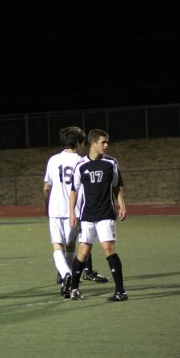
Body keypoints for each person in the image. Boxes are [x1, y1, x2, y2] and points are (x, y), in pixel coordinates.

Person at [43, 126, 108, 299]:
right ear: (80, 143)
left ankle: (65, 275)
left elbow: (46, 187)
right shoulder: (82, 161)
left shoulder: (53, 160)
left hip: (56, 209)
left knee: (57, 246)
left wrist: (47, 204)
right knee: (71, 245)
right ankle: (70, 279)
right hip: (75, 211)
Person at [69, 129, 127, 301]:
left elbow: (117, 186)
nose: (106, 145)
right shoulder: (81, 166)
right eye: (103, 142)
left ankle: (120, 291)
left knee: (108, 250)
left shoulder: (111, 163)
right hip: (87, 215)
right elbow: (74, 190)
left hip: (106, 214)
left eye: (107, 142)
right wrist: (72, 212)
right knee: (83, 252)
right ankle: (74, 289)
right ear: (93, 143)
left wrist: (121, 205)